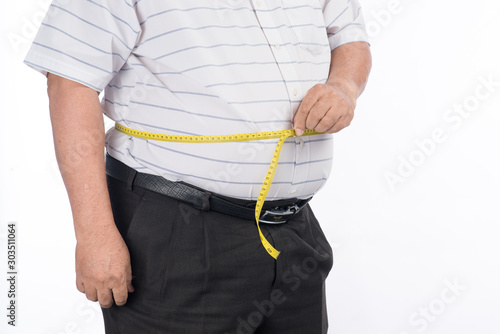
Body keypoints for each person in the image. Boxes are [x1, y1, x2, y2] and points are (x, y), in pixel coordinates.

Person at [24, 0, 371, 333]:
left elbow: (349, 37)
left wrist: (344, 85)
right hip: (177, 231)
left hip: (295, 230)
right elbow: (71, 82)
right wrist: (94, 235)